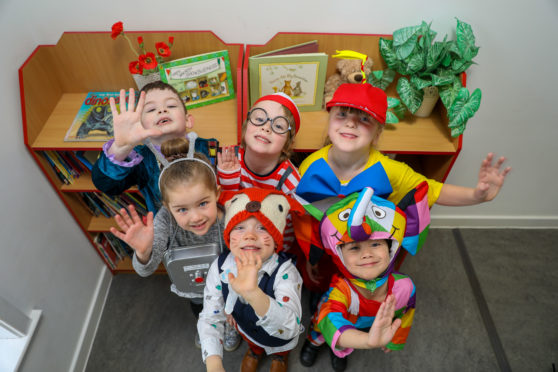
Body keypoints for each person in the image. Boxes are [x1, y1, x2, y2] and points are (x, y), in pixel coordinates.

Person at [110, 136, 240, 351]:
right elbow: (145, 270)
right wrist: (144, 252)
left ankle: (230, 328)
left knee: (231, 309)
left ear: (217, 194)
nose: (195, 217)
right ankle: (205, 327)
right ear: (167, 207)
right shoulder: (163, 221)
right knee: (200, 309)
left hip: (229, 285)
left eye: (203, 203)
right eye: (182, 209)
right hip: (194, 289)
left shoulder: (229, 217)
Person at [296, 83, 512, 209]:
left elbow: (432, 190)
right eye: (342, 114)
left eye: (364, 119)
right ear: (329, 120)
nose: (350, 123)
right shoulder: (310, 166)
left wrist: (477, 195)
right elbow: (303, 213)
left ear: (378, 133)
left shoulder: (390, 171)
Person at [298, 185, 428, 371]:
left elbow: (406, 314)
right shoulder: (341, 291)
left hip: (363, 327)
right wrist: (367, 341)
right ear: (339, 255)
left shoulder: (405, 287)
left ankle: (337, 351)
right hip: (344, 328)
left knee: (346, 341)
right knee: (319, 332)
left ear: (391, 248)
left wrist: (395, 340)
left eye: (375, 244)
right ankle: (312, 343)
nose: (367, 254)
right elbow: (329, 321)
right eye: (354, 247)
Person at [197, 188, 305, 372]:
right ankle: (255, 351)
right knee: (252, 342)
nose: (250, 236)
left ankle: (279, 357)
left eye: (262, 227)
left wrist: (253, 294)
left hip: (279, 337)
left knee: (280, 347)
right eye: (239, 227)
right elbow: (210, 317)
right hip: (245, 329)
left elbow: (290, 327)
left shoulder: (286, 273)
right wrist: (214, 362)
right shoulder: (220, 266)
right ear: (229, 237)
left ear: (277, 238)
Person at [92, 81, 194, 213]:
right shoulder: (141, 160)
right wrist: (121, 148)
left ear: (188, 120)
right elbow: (106, 185)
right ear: (140, 125)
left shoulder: (209, 147)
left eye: (171, 105)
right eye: (151, 109)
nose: (162, 110)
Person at [217, 92, 302, 251]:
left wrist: (277, 254)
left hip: (269, 246)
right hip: (230, 240)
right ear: (245, 127)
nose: (266, 127)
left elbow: (289, 229)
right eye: (259, 119)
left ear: (287, 143)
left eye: (278, 126)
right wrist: (228, 182)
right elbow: (219, 213)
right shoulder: (229, 159)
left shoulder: (290, 181)